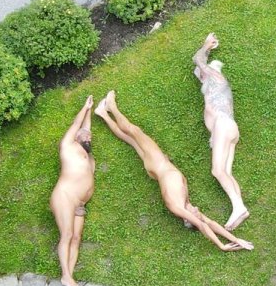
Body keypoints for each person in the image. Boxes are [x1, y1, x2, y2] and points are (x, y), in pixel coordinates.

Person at [94, 91, 253, 251]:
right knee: (131, 140)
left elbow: (203, 226)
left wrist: (222, 246)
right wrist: (235, 239)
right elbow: (210, 224)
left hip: (158, 163)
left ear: (188, 219)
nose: (198, 210)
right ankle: (103, 113)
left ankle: (112, 107)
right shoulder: (186, 205)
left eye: (196, 214)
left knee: (134, 131)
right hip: (158, 168)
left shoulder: (177, 207)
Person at [192, 33, 249, 230]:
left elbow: (197, 59)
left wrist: (206, 46)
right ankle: (239, 209)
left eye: (201, 74)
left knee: (217, 170)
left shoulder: (216, 78)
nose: (199, 75)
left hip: (223, 126)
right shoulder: (212, 87)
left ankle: (239, 207)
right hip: (226, 129)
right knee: (226, 172)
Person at [50, 95, 96, 286]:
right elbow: (79, 125)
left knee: (76, 238)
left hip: (80, 204)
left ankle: (69, 276)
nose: (88, 136)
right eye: (84, 135)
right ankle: (66, 275)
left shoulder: (87, 156)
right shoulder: (68, 146)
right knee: (67, 234)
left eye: (90, 137)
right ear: (76, 136)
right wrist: (85, 107)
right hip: (65, 196)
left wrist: (90, 112)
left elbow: (86, 128)